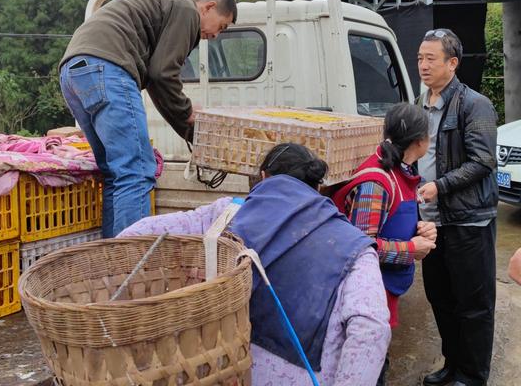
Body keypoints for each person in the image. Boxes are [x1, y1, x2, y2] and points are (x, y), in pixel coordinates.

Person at [120, 143, 391, 386]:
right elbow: (371, 329)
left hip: (227, 369)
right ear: (317, 187)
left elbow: (142, 235)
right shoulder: (355, 247)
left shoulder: (228, 213)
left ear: (263, 177)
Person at [58, 0, 237, 238]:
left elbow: (156, 80)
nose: (217, 35)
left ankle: (115, 262)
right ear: (208, 7)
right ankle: (134, 265)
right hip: (107, 67)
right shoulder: (187, 11)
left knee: (116, 173)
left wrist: (188, 129)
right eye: (222, 26)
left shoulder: (165, 8)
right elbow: (163, 74)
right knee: (137, 171)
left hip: (74, 72)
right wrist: (187, 113)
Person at [331, 102, 437, 385]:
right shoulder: (376, 182)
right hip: (368, 293)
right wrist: (411, 249)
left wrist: (419, 228)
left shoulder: (401, 171)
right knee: (368, 366)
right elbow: (361, 248)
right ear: (420, 141)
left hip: (385, 288)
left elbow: (391, 220)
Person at [416, 29, 498, 386]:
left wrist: (439, 186)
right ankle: (452, 365)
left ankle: (472, 375)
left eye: (431, 59)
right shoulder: (420, 103)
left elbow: (483, 161)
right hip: (432, 222)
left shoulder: (474, 104)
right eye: (419, 58)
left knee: (473, 303)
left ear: (452, 63)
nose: (423, 65)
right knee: (442, 298)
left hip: (468, 220)